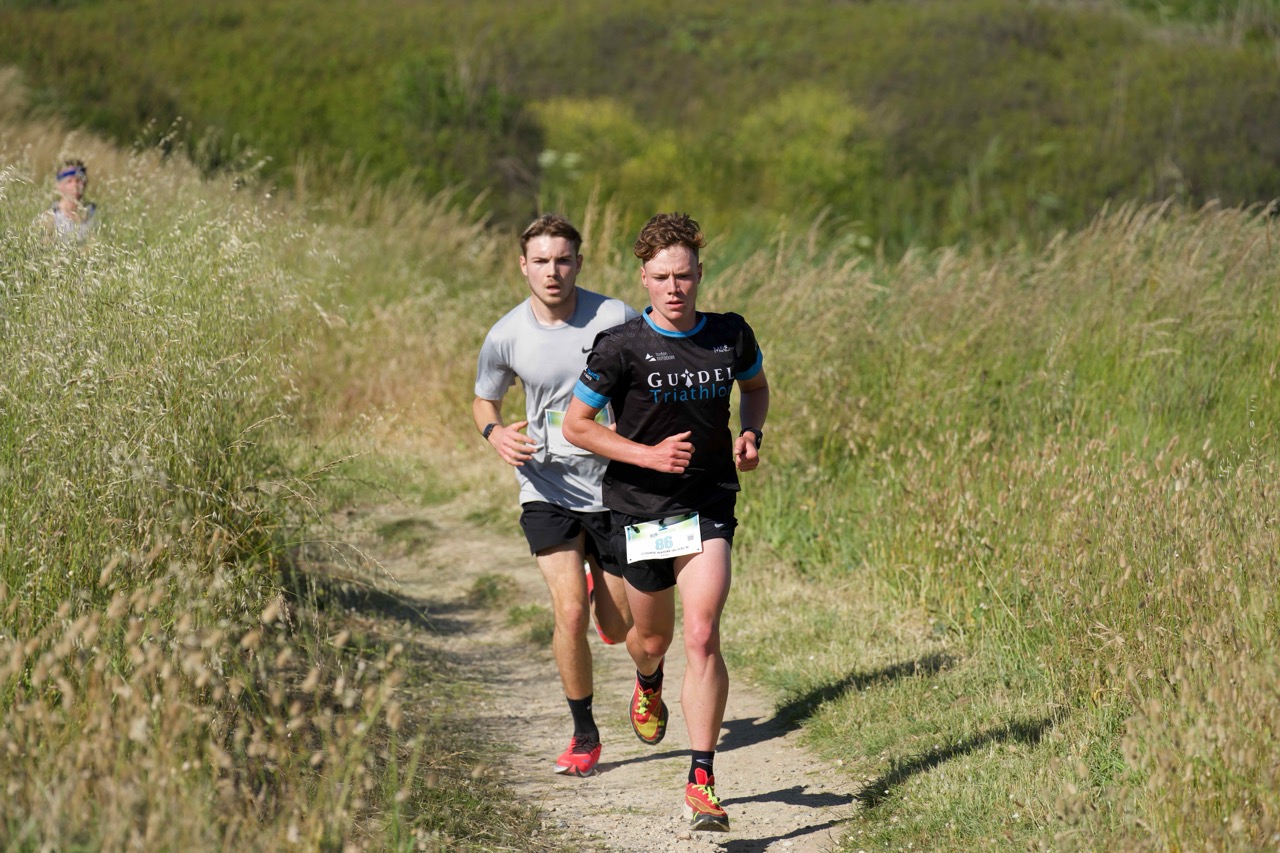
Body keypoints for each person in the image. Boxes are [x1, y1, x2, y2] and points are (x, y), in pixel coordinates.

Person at [562, 212, 769, 832]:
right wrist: (647, 455)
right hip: (644, 509)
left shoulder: (730, 334)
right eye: (661, 277)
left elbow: (756, 389)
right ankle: (647, 678)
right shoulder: (621, 346)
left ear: (700, 273)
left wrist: (752, 434)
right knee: (652, 640)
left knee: (702, 634)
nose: (674, 287)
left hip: (708, 503)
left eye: (684, 275)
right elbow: (576, 426)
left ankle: (701, 780)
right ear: (644, 279)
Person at [472, 213, 639, 778]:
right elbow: (484, 400)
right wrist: (495, 433)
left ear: (578, 263)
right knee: (568, 613)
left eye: (563, 260)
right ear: (523, 265)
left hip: (613, 486)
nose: (552, 272)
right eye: (541, 261)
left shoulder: (615, 317)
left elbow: (649, 378)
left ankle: (609, 607)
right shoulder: (506, 334)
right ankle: (584, 734)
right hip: (545, 485)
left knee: (619, 626)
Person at [44, 159, 98, 244]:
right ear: (59, 186)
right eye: (69, 181)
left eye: (78, 180)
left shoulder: (94, 213)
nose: (75, 185)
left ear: (85, 183)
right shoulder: (50, 217)